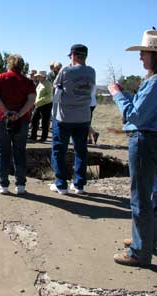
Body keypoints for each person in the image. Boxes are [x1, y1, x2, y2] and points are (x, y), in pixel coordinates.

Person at [108, 29, 157, 267]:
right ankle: (148, 239)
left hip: (145, 140)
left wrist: (118, 95)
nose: (141, 58)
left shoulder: (154, 82)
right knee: (154, 195)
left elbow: (135, 115)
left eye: (144, 53)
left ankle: (140, 251)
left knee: (141, 197)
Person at [50, 44, 96, 195]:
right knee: (81, 151)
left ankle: (61, 184)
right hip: (83, 118)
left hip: (64, 117)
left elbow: (56, 89)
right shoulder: (92, 71)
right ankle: (79, 185)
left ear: (74, 55)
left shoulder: (66, 70)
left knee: (59, 150)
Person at [0, 54, 36, 195]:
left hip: (2, 119)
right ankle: (21, 185)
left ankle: (3, 185)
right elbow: (31, 100)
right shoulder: (28, 82)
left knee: (3, 151)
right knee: (20, 151)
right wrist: (19, 114)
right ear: (22, 66)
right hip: (21, 121)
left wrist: (6, 112)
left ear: (8, 64)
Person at [30, 70, 53, 141]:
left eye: (38, 76)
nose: (37, 77)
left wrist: (38, 101)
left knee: (44, 122)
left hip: (46, 105)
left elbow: (49, 96)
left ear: (43, 76)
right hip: (38, 104)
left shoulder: (48, 84)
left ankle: (43, 137)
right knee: (34, 120)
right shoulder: (40, 84)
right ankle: (33, 136)